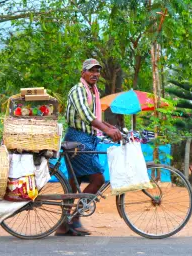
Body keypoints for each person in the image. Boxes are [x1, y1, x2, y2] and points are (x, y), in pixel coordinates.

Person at [55, 58, 121, 236]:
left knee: (73, 185)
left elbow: (94, 115)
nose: (95, 74)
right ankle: (74, 219)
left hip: (87, 138)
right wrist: (107, 130)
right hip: (78, 138)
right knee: (98, 179)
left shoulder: (93, 91)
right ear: (83, 73)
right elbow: (87, 116)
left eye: (97, 71)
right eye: (91, 71)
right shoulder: (78, 90)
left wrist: (110, 127)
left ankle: (63, 225)